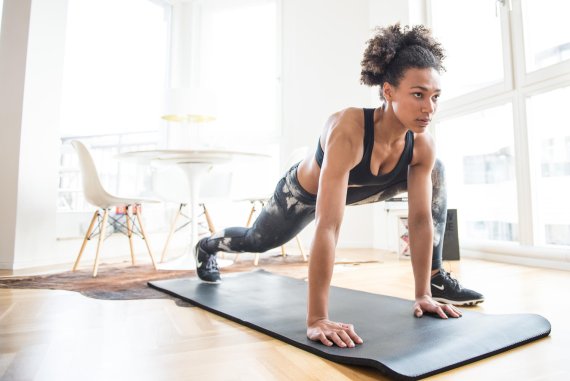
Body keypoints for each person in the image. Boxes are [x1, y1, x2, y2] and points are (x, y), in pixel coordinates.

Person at [193, 23, 484, 348]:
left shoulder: (422, 144)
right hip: (303, 195)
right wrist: (317, 319)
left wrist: (422, 295)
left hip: (370, 187)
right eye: (418, 95)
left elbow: (419, 220)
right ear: (388, 92)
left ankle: (434, 280)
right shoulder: (348, 130)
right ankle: (206, 246)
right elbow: (328, 226)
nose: (429, 108)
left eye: (435, 97)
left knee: (436, 170)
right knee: (256, 240)